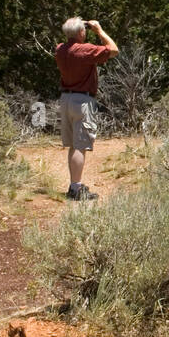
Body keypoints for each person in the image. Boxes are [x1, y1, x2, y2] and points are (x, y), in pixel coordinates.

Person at [54, 17, 118, 201]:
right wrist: (98, 30)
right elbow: (113, 50)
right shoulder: (85, 50)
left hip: (66, 99)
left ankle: (74, 185)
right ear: (81, 32)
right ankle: (76, 189)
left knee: (73, 145)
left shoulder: (60, 49)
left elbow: (67, 46)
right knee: (80, 146)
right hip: (82, 101)